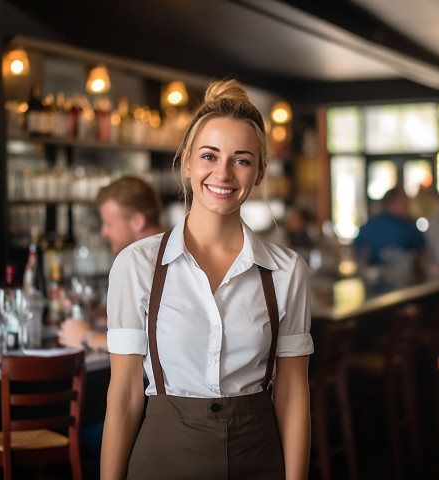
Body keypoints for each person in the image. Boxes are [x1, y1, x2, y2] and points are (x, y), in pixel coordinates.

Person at [101, 79, 314, 480]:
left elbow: (292, 394)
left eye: (242, 160)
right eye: (209, 156)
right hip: (163, 460)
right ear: (186, 162)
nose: (224, 172)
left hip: (259, 457)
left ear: (260, 172)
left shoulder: (287, 272)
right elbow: (126, 394)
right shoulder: (136, 265)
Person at [58, 175, 163, 351]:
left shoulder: (151, 262)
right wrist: (95, 314)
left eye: (109, 223)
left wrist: (87, 337)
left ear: (137, 222)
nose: (104, 232)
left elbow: (153, 344)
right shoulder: (154, 253)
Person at [354, 186, 425, 265]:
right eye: (406, 202)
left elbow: (355, 255)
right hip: (402, 276)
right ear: (396, 202)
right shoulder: (407, 228)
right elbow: (422, 257)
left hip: (367, 276)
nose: (409, 206)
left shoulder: (366, 227)